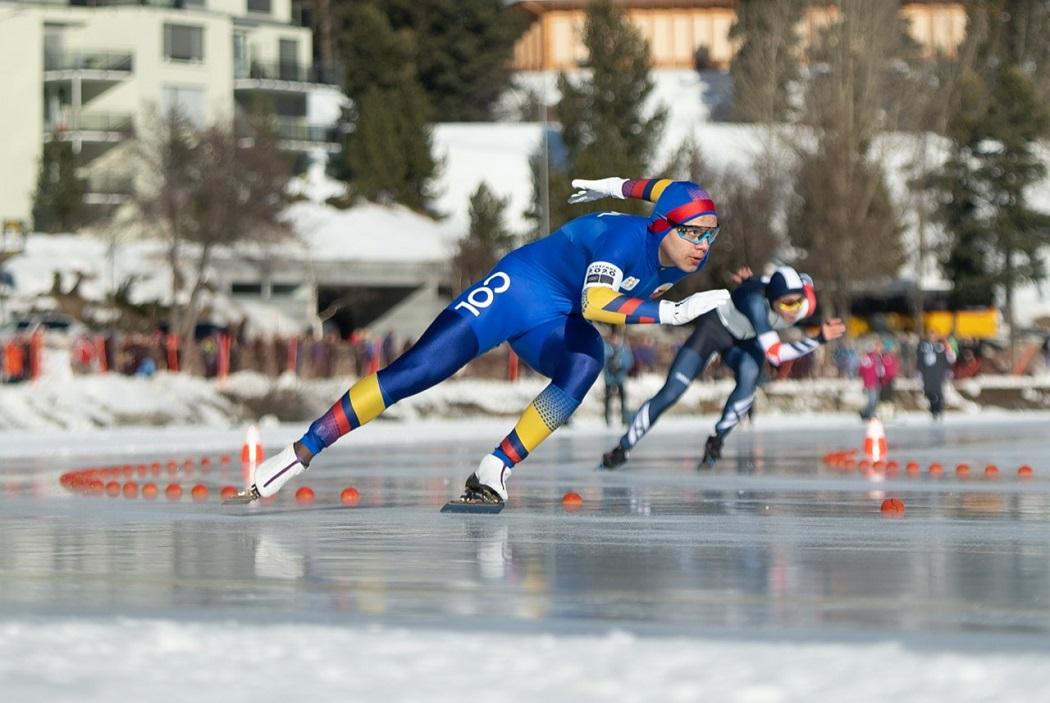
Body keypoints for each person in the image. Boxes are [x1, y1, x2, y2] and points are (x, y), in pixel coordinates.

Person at [239, 177, 731, 506]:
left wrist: (615, 185)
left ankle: (495, 469)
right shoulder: (623, 243)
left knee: (587, 363)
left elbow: (661, 187)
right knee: (414, 373)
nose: (701, 247)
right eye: (693, 234)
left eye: (710, 236)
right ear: (661, 225)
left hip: (554, 316)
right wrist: (670, 311)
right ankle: (299, 453)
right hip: (517, 290)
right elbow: (599, 303)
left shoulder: (683, 239)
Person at [601, 265, 846, 469]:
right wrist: (818, 339)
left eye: (798, 303)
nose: (793, 311)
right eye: (786, 304)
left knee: (749, 381)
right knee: (672, 391)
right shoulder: (755, 304)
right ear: (771, 299)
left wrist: (750, 280)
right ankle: (624, 447)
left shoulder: (804, 304)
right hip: (715, 329)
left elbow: (773, 284)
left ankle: (717, 439)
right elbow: (776, 354)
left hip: (746, 339)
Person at [917, 330, 955, 420]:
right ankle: (933, 410)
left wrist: (947, 370)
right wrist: (919, 371)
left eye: (934, 336)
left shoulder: (940, 346)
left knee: (939, 393)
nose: (932, 338)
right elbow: (920, 360)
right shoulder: (923, 346)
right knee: (930, 392)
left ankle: (939, 410)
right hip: (928, 373)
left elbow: (946, 359)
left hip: (938, 373)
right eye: (931, 336)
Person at [603, 329, 634, 427]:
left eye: (617, 339)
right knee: (608, 399)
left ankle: (624, 418)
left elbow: (630, 362)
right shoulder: (607, 349)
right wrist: (609, 363)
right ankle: (607, 419)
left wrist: (620, 365)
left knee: (623, 398)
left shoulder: (624, 349)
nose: (615, 341)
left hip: (620, 377)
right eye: (613, 339)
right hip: (609, 377)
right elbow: (602, 361)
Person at [858, 338, 883, 420]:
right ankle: (866, 413)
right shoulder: (867, 358)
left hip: (876, 382)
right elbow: (862, 370)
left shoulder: (877, 358)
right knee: (871, 400)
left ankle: (869, 413)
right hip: (870, 383)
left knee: (874, 400)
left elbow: (880, 371)